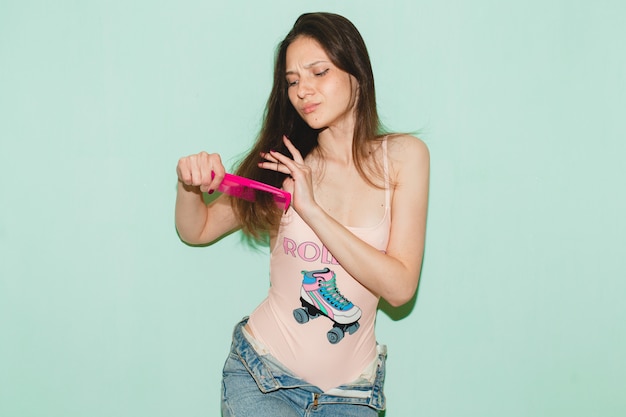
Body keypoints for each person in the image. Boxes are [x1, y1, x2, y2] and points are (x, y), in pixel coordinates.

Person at [175, 12, 429, 417]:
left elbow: (400, 288)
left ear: (356, 73)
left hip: (352, 396)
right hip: (262, 378)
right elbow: (198, 229)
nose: (303, 91)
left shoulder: (401, 158)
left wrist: (310, 209)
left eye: (319, 72)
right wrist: (188, 185)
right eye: (292, 81)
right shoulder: (283, 166)